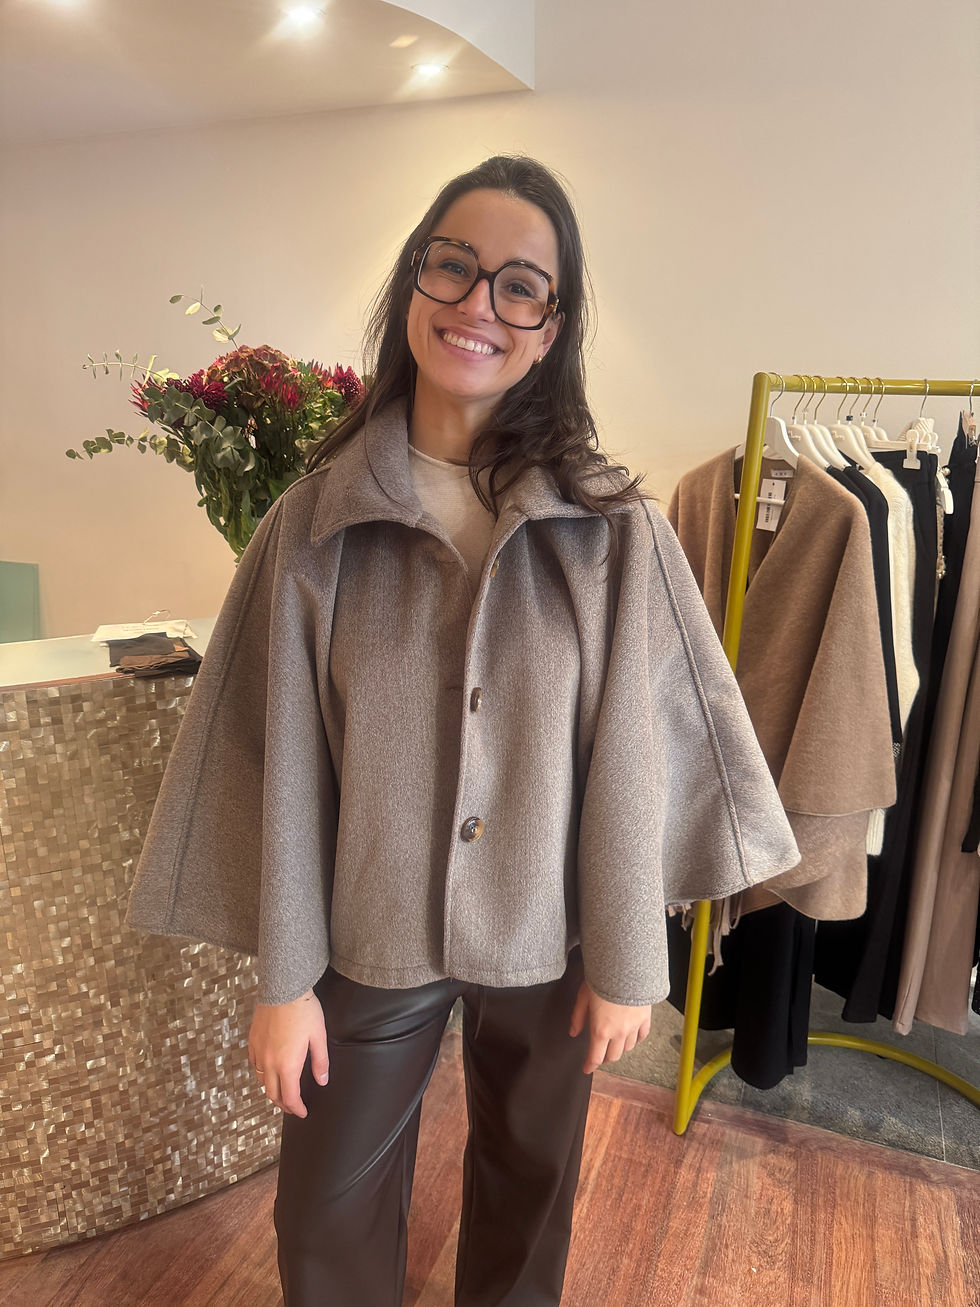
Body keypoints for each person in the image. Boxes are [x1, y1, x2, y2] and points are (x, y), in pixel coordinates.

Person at [126, 155, 799, 1306]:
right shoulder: (312, 522)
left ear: (550, 328)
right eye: (453, 265)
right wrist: (284, 981)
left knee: (531, 1186)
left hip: (547, 931)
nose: (478, 302)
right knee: (322, 1208)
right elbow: (277, 757)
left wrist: (625, 960)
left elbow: (638, 751)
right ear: (413, 282)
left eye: (519, 285)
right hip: (367, 934)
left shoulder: (612, 529)